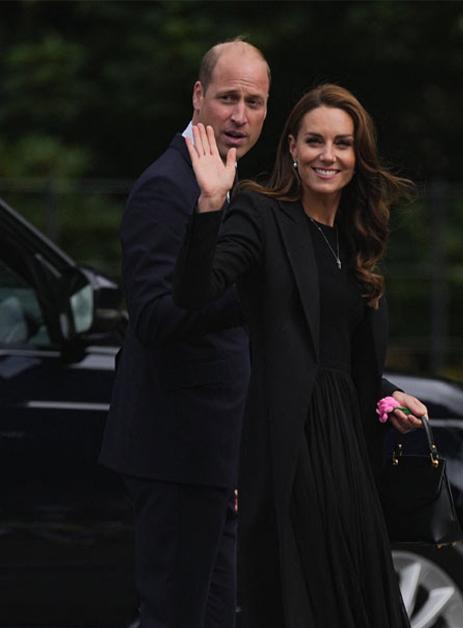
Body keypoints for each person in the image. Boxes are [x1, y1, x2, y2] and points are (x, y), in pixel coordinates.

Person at [174, 84, 426, 627]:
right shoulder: (260, 214)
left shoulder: (356, 240)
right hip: (287, 445)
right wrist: (211, 205)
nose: (327, 155)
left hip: (348, 456)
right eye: (314, 141)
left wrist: (388, 400)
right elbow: (197, 293)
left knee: (362, 605)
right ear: (292, 147)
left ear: (358, 157)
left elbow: (351, 366)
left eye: (341, 143)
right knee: (303, 603)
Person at [99, 38, 269, 628]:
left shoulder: (230, 182)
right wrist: (245, 297)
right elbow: (152, 316)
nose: (240, 116)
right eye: (227, 98)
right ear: (199, 97)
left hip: (214, 460)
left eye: (254, 101)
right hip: (173, 455)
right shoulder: (165, 186)